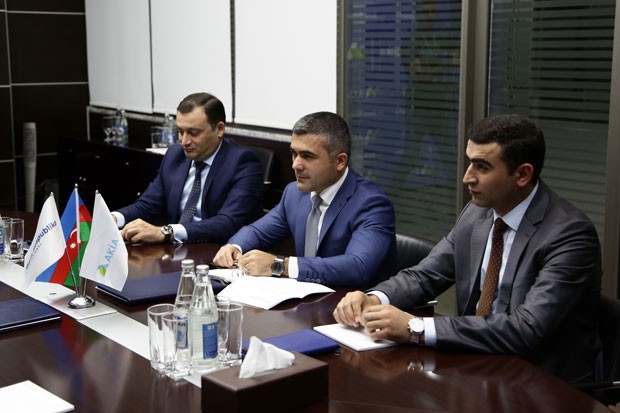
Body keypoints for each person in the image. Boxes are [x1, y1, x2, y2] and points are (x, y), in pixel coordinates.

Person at [333, 114, 602, 384]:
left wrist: (415, 328)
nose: (467, 178)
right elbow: (425, 275)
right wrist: (375, 299)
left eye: (482, 167)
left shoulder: (569, 234)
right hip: (477, 364)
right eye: (469, 162)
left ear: (522, 174)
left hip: (542, 382)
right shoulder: (477, 212)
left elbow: (526, 328)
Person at [213, 111, 397, 288]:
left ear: (340, 161)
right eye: (294, 153)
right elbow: (257, 232)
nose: (296, 165)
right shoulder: (294, 193)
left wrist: (280, 265)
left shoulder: (371, 204)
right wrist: (235, 246)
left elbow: (357, 267)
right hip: (306, 299)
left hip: (353, 304)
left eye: (307, 156)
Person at [113, 92, 263, 244]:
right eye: (180, 131)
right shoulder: (175, 155)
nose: (184, 141)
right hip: (177, 249)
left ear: (219, 129)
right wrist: (114, 218)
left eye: (193, 133)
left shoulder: (243, 163)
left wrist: (167, 232)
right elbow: (148, 205)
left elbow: (227, 223)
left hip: (219, 250)